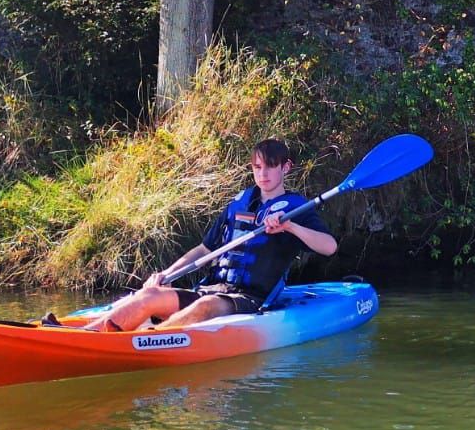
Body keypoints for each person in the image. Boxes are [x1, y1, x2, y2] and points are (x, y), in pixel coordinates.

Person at [77, 138, 337, 332]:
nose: (263, 174)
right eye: (257, 167)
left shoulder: (295, 209)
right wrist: (165, 274)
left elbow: (329, 247)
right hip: (211, 287)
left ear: (286, 168)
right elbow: (204, 250)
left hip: (248, 299)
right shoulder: (239, 203)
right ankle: (86, 334)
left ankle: (148, 338)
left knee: (206, 306)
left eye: (270, 167)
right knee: (150, 296)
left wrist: (290, 227)